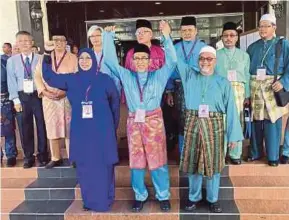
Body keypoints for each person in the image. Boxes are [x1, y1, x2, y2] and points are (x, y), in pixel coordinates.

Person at [102, 21, 176, 212]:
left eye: (144, 58)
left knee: (158, 161)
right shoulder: (126, 75)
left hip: (154, 123)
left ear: (150, 59)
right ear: (133, 61)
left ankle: (163, 195)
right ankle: (139, 195)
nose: (141, 61)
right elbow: (109, 61)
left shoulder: (159, 75)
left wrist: (167, 36)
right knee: (136, 162)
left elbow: (173, 61)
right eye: (138, 58)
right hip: (134, 123)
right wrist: (108, 37)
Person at [42, 44, 120, 212]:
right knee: (85, 165)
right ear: (78, 61)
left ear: (94, 60)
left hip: (102, 130)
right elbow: (49, 78)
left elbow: (115, 103)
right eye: (82, 58)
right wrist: (48, 55)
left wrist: (112, 127)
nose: (85, 61)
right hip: (81, 131)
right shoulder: (72, 79)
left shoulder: (105, 79)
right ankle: (89, 200)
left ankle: (104, 199)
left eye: (88, 58)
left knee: (102, 165)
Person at [175, 45, 243, 213]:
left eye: (209, 59)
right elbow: (174, 57)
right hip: (193, 122)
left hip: (215, 125)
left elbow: (232, 109)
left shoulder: (223, 82)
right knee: (193, 163)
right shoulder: (189, 75)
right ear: (198, 61)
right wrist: (166, 36)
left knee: (214, 164)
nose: (205, 62)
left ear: (215, 61)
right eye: (202, 59)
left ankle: (213, 199)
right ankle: (193, 197)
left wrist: (234, 137)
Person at [247, 14, 289, 166]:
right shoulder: (252, 47)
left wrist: (284, 82)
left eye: (266, 26)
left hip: (273, 87)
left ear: (274, 27)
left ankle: (273, 156)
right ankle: (256, 152)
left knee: (272, 121)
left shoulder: (283, 44)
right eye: (261, 26)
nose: (262, 29)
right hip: (256, 87)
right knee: (256, 121)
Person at [35, 29, 78, 169]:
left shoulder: (73, 57)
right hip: (49, 99)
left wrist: (66, 91)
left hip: (67, 97)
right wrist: (44, 92)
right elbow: (37, 75)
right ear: (52, 42)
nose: (58, 43)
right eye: (56, 40)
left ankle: (73, 157)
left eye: (61, 40)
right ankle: (55, 157)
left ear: (66, 43)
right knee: (52, 126)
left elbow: (77, 77)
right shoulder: (44, 57)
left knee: (70, 128)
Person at [7, 31, 48, 168]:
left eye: (27, 41)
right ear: (17, 43)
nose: (24, 43)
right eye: (21, 41)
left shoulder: (40, 58)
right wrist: (15, 100)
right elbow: (11, 81)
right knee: (25, 127)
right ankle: (28, 156)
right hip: (22, 96)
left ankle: (43, 154)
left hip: (39, 95)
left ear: (32, 43)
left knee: (42, 124)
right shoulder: (12, 61)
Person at [166, 16, 207, 154]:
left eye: (190, 30)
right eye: (184, 30)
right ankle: (184, 153)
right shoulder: (175, 48)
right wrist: (170, 91)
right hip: (179, 88)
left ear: (196, 31)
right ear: (180, 31)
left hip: (199, 88)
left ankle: (198, 152)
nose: (187, 33)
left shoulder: (203, 47)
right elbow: (169, 70)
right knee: (181, 121)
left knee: (198, 119)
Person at [215, 22, 251, 165]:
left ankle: (235, 153)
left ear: (237, 38)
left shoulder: (244, 55)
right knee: (221, 121)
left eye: (232, 35)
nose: (229, 38)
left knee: (237, 121)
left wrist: (247, 95)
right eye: (226, 35)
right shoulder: (216, 55)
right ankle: (221, 153)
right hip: (220, 90)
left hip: (238, 91)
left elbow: (247, 76)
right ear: (221, 38)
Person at [87, 25, 121, 94]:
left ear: (103, 36)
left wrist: (117, 95)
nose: (95, 38)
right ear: (89, 38)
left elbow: (116, 77)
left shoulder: (109, 54)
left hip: (108, 93)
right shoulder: (87, 56)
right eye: (92, 36)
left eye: (98, 35)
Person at [1, 54, 18, 166]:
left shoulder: (5, 61)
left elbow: (11, 80)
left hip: (5, 99)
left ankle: (11, 154)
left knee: (8, 128)